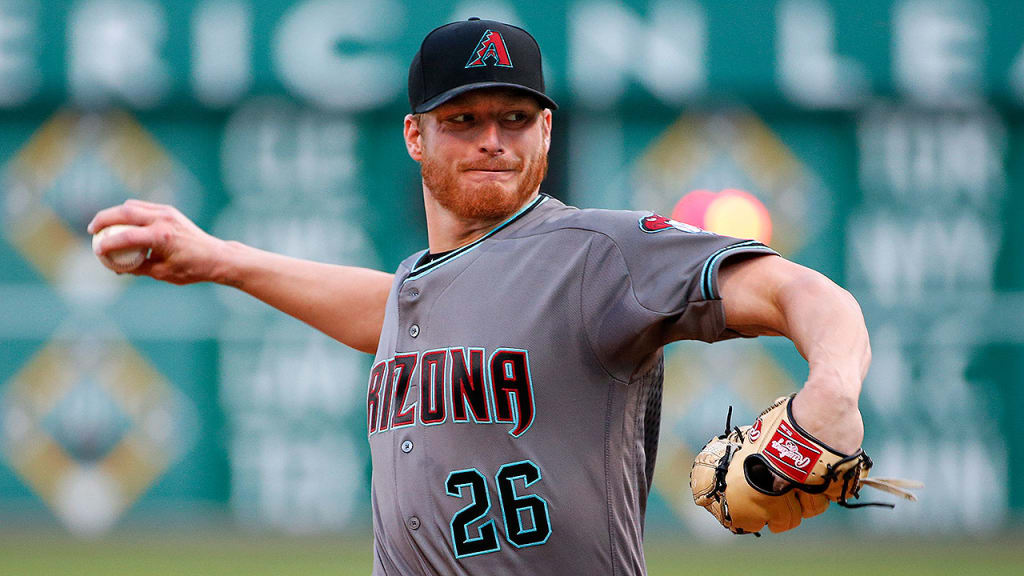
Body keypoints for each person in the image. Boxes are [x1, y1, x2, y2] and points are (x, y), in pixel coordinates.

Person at [89, 18, 870, 576]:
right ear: (415, 137)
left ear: (546, 133)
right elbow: (387, 310)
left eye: (514, 118)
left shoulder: (598, 255)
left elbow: (800, 289)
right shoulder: (424, 289)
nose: (492, 138)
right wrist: (220, 259)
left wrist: (832, 388)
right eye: (462, 120)